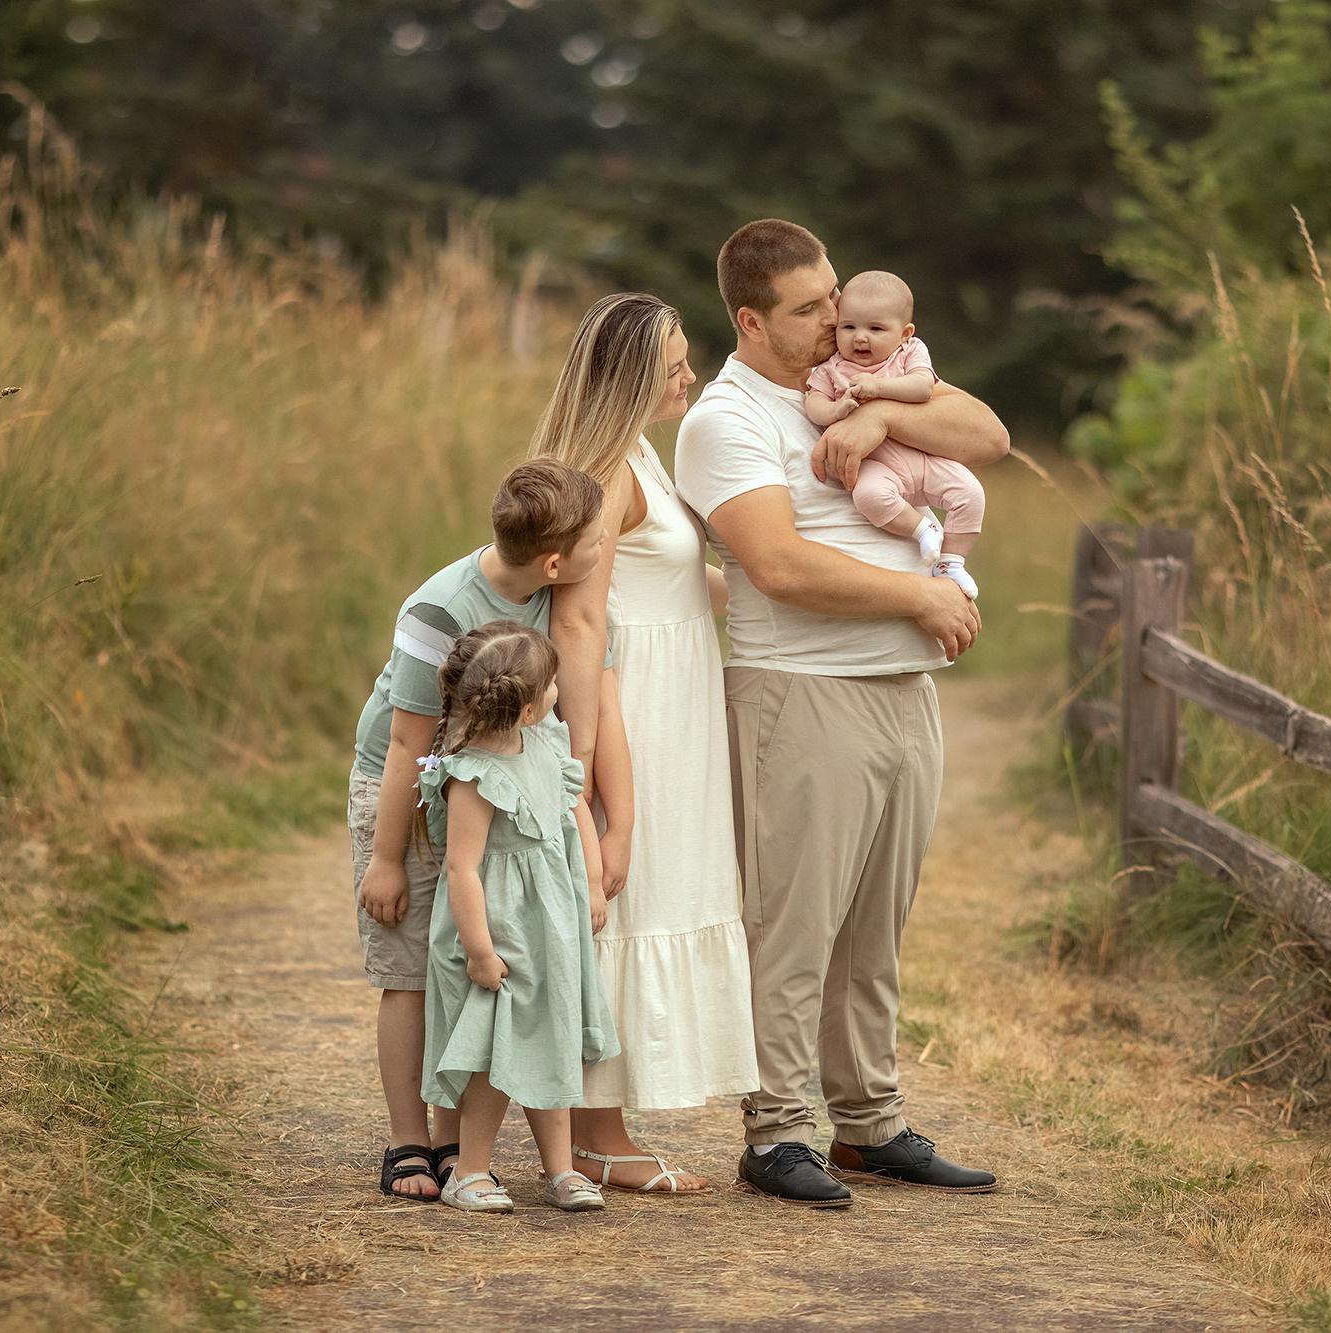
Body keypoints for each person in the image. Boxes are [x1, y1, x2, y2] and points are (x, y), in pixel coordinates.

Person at [674, 218, 1007, 1207]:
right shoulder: (725, 420)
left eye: (833, 298)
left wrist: (870, 421)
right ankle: (776, 1132)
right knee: (792, 924)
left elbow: (987, 434)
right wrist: (919, 595)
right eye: (810, 308)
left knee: (875, 927)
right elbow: (773, 565)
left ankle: (868, 1122)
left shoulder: (862, 378)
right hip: (800, 693)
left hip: (902, 690)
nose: (834, 320)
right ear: (749, 317)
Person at [537, 291, 758, 1194]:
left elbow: (681, 580)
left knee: (655, 894)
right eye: (674, 364)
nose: (691, 374)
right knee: (622, 901)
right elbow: (580, 622)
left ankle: (606, 1126)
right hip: (636, 710)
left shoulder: (642, 458)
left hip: (679, 702)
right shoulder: (600, 471)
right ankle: (598, 1135)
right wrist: (583, 773)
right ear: (631, 376)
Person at [351, 459, 605, 1201]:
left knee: (471, 959)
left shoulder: (554, 594)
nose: (602, 552)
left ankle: (452, 1139)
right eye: (594, 541)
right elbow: (405, 744)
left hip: (499, 784)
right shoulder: (441, 607)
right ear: (554, 558)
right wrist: (389, 856)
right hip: (410, 787)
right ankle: (407, 1138)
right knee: (408, 965)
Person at [415, 622, 618, 1213]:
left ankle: (560, 1170)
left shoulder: (549, 742)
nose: (560, 690)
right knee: (494, 1049)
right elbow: (462, 870)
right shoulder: (474, 776)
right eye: (553, 683)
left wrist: (593, 886)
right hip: (500, 928)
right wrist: (479, 949)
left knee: (550, 1040)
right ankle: (469, 1170)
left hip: (551, 921)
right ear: (527, 705)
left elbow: (572, 809)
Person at [803, 270, 985, 598]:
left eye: (875, 328)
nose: (860, 338)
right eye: (848, 327)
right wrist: (835, 411)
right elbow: (813, 401)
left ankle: (952, 561)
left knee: (970, 493)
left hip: (921, 458)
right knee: (868, 496)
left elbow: (922, 387)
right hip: (878, 465)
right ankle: (922, 528)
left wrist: (878, 388)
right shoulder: (832, 367)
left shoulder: (908, 354)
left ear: (904, 333)